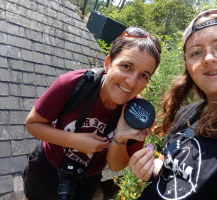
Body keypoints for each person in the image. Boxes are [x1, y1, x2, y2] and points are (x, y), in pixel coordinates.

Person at [22, 27, 161, 200]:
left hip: (86, 179)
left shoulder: (137, 113)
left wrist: (120, 137)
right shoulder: (72, 84)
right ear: (108, 63)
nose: (132, 82)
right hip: (47, 166)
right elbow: (32, 124)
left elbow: (115, 165)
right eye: (126, 66)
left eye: (144, 75)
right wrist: (73, 140)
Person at [129, 9, 217, 199]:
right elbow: (167, 162)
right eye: (196, 52)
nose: (209, 58)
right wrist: (151, 169)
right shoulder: (188, 114)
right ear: (187, 65)